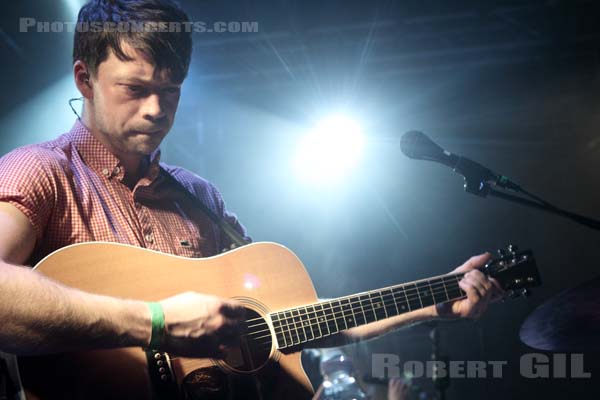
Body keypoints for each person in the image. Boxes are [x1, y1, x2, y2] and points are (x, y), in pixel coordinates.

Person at [0, 0, 500, 398]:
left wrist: (435, 302)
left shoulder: (199, 196)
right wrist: (154, 324)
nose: (156, 109)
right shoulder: (41, 171)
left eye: (171, 90)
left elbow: (291, 322)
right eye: (134, 88)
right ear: (84, 79)